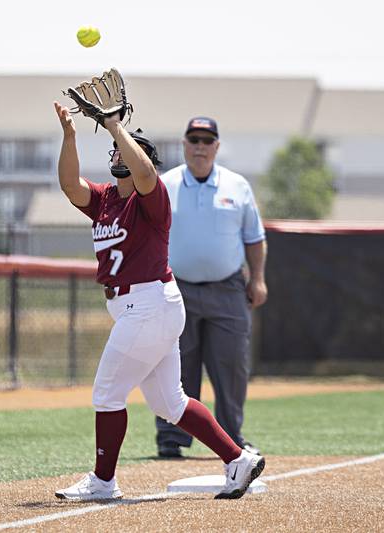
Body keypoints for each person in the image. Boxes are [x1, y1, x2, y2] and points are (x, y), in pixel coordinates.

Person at [51, 101, 265, 500]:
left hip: (147, 306)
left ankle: (103, 481)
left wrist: (117, 129)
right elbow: (69, 185)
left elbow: (147, 173)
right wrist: (69, 136)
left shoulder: (151, 198)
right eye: (116, 147)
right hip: (149, 308)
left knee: (107, 393)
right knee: (171, 403)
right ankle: (238, 460)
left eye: (123, 148)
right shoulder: (105, 200)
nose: (115, 152)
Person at [155, 117, 268, 459]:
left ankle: (232, 437)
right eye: (194, 139)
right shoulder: (164, 184)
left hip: (228, 288)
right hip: (176, 288)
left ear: (217, 146)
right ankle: (172, 438)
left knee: (231, 364)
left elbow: (254, 237)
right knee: (175, 363)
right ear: (184, 144)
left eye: (207, 140)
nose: (200, 146)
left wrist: (258, 277)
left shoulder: (237, 186)